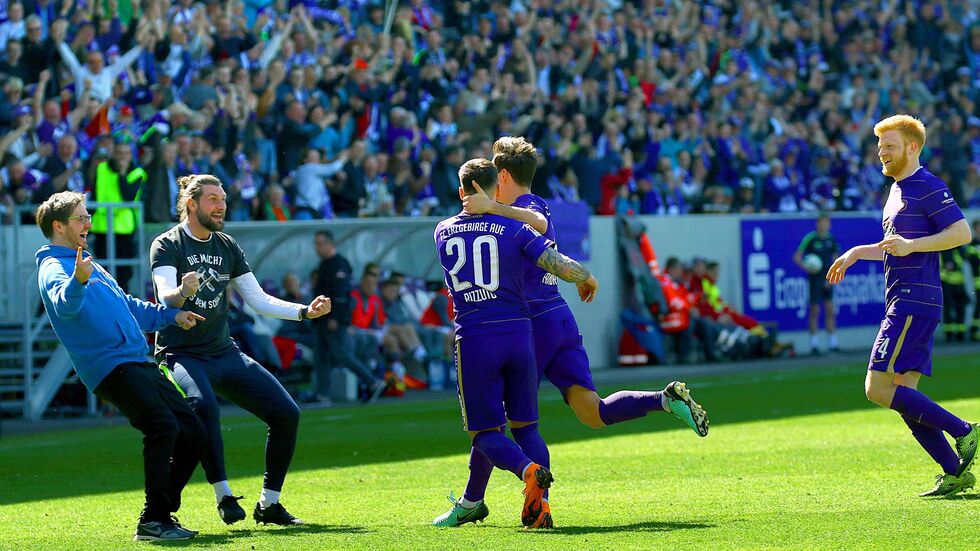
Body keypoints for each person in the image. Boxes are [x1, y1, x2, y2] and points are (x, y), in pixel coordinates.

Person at [438, 137, 708, 528]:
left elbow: (534, 224)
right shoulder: (530, 206)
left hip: (530, 323)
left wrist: (490, 207)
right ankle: (663, 400)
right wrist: (582, 274)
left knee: (505, 424)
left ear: (504, 176)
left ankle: (485, 502)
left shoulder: (517, 210)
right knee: (592, 412)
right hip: (559, 316)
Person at [150, 174, 332, 526]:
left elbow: (258, 299)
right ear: (191, 204)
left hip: (222, 351)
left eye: (223, 199)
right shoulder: (167, 243)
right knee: (204, 409)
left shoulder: (227, 245)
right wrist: (182, 292)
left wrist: (304, 311)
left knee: (286, 413)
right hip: (180, 354)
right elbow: (164, 297)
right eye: (213, 199)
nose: (221, 206)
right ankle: (223, 494)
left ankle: (269, 504)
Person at [433, 158, 601, 530]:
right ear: (497, 188)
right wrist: (585, 275)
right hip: (520, 335)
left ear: (461, 191)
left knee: (484, 433)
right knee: (526, 427)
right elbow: (557, 264)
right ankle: (541, 510)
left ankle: (527, 470)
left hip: (476, 338)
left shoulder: (442, 230)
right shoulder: (513, 227)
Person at [35, 191, 206, 541]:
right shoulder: (54, 267)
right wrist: (78, 280)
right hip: (110, 367)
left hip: (136, 361)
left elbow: (129, 306)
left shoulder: (87, 263)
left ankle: (160, 514)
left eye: (88, 216)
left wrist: (173, 315)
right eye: (81, 217)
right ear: (59, 226)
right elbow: (65, 306)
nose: (88, 223)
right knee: (162, 426)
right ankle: (154, 520)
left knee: (193, 431)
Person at [827, 115, 979, 498]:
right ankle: (954, 471)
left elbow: (962, 232)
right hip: (909, 298)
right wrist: (856, 253)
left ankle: (965, 431)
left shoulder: (927, 185)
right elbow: (895, 248)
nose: (882, 152)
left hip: (913, 299)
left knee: (876, 388)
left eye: (890, 146)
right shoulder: (896, 190)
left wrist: (912, 246)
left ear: (912, 147)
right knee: (903, 396)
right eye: (880, 146)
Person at [311, 231, 383, 404]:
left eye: (319, 243)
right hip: (321, 318)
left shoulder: (339, 264)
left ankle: (372, 382)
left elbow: (341, 295)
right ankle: (321, 393)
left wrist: (335, 317)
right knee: (321, 357)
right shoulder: (325, 264)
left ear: (329, 244)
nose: (316, 248)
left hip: (333, 319)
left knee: (342, 354)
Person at [794, 213, 840, 354]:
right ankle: (814, 344)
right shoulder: (811, 238)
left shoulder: (831, 239)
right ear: (817, 224)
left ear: (829, 225)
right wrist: (807, 267)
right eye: (821, 223)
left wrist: (831, 277)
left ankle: (833, 343)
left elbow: (836, 258)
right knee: (815, 310)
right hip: (815, 279)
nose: (823, 225)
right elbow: (797, 256)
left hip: (827, 278)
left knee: (830, 309)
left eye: (825, 223)